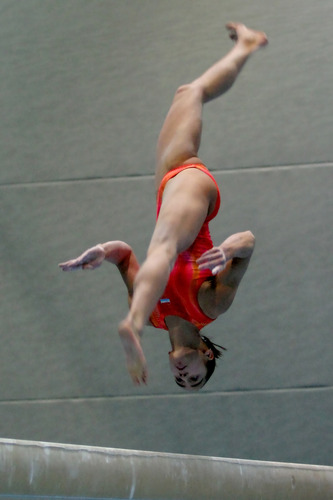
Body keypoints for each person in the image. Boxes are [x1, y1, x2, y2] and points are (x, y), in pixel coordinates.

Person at [59, 22, 268, 390]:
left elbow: (124, 257)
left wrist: (103, 252)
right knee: (166, 246)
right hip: (194, 193)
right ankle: (131, 325)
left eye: (180, 383)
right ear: (206, 354)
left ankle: (246, 46)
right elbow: (249, 242)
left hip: (168, 189)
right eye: (196, 380)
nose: (184, 379)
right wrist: (228, 249)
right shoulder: (211, 307)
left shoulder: (161, 316)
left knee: (189, 92)